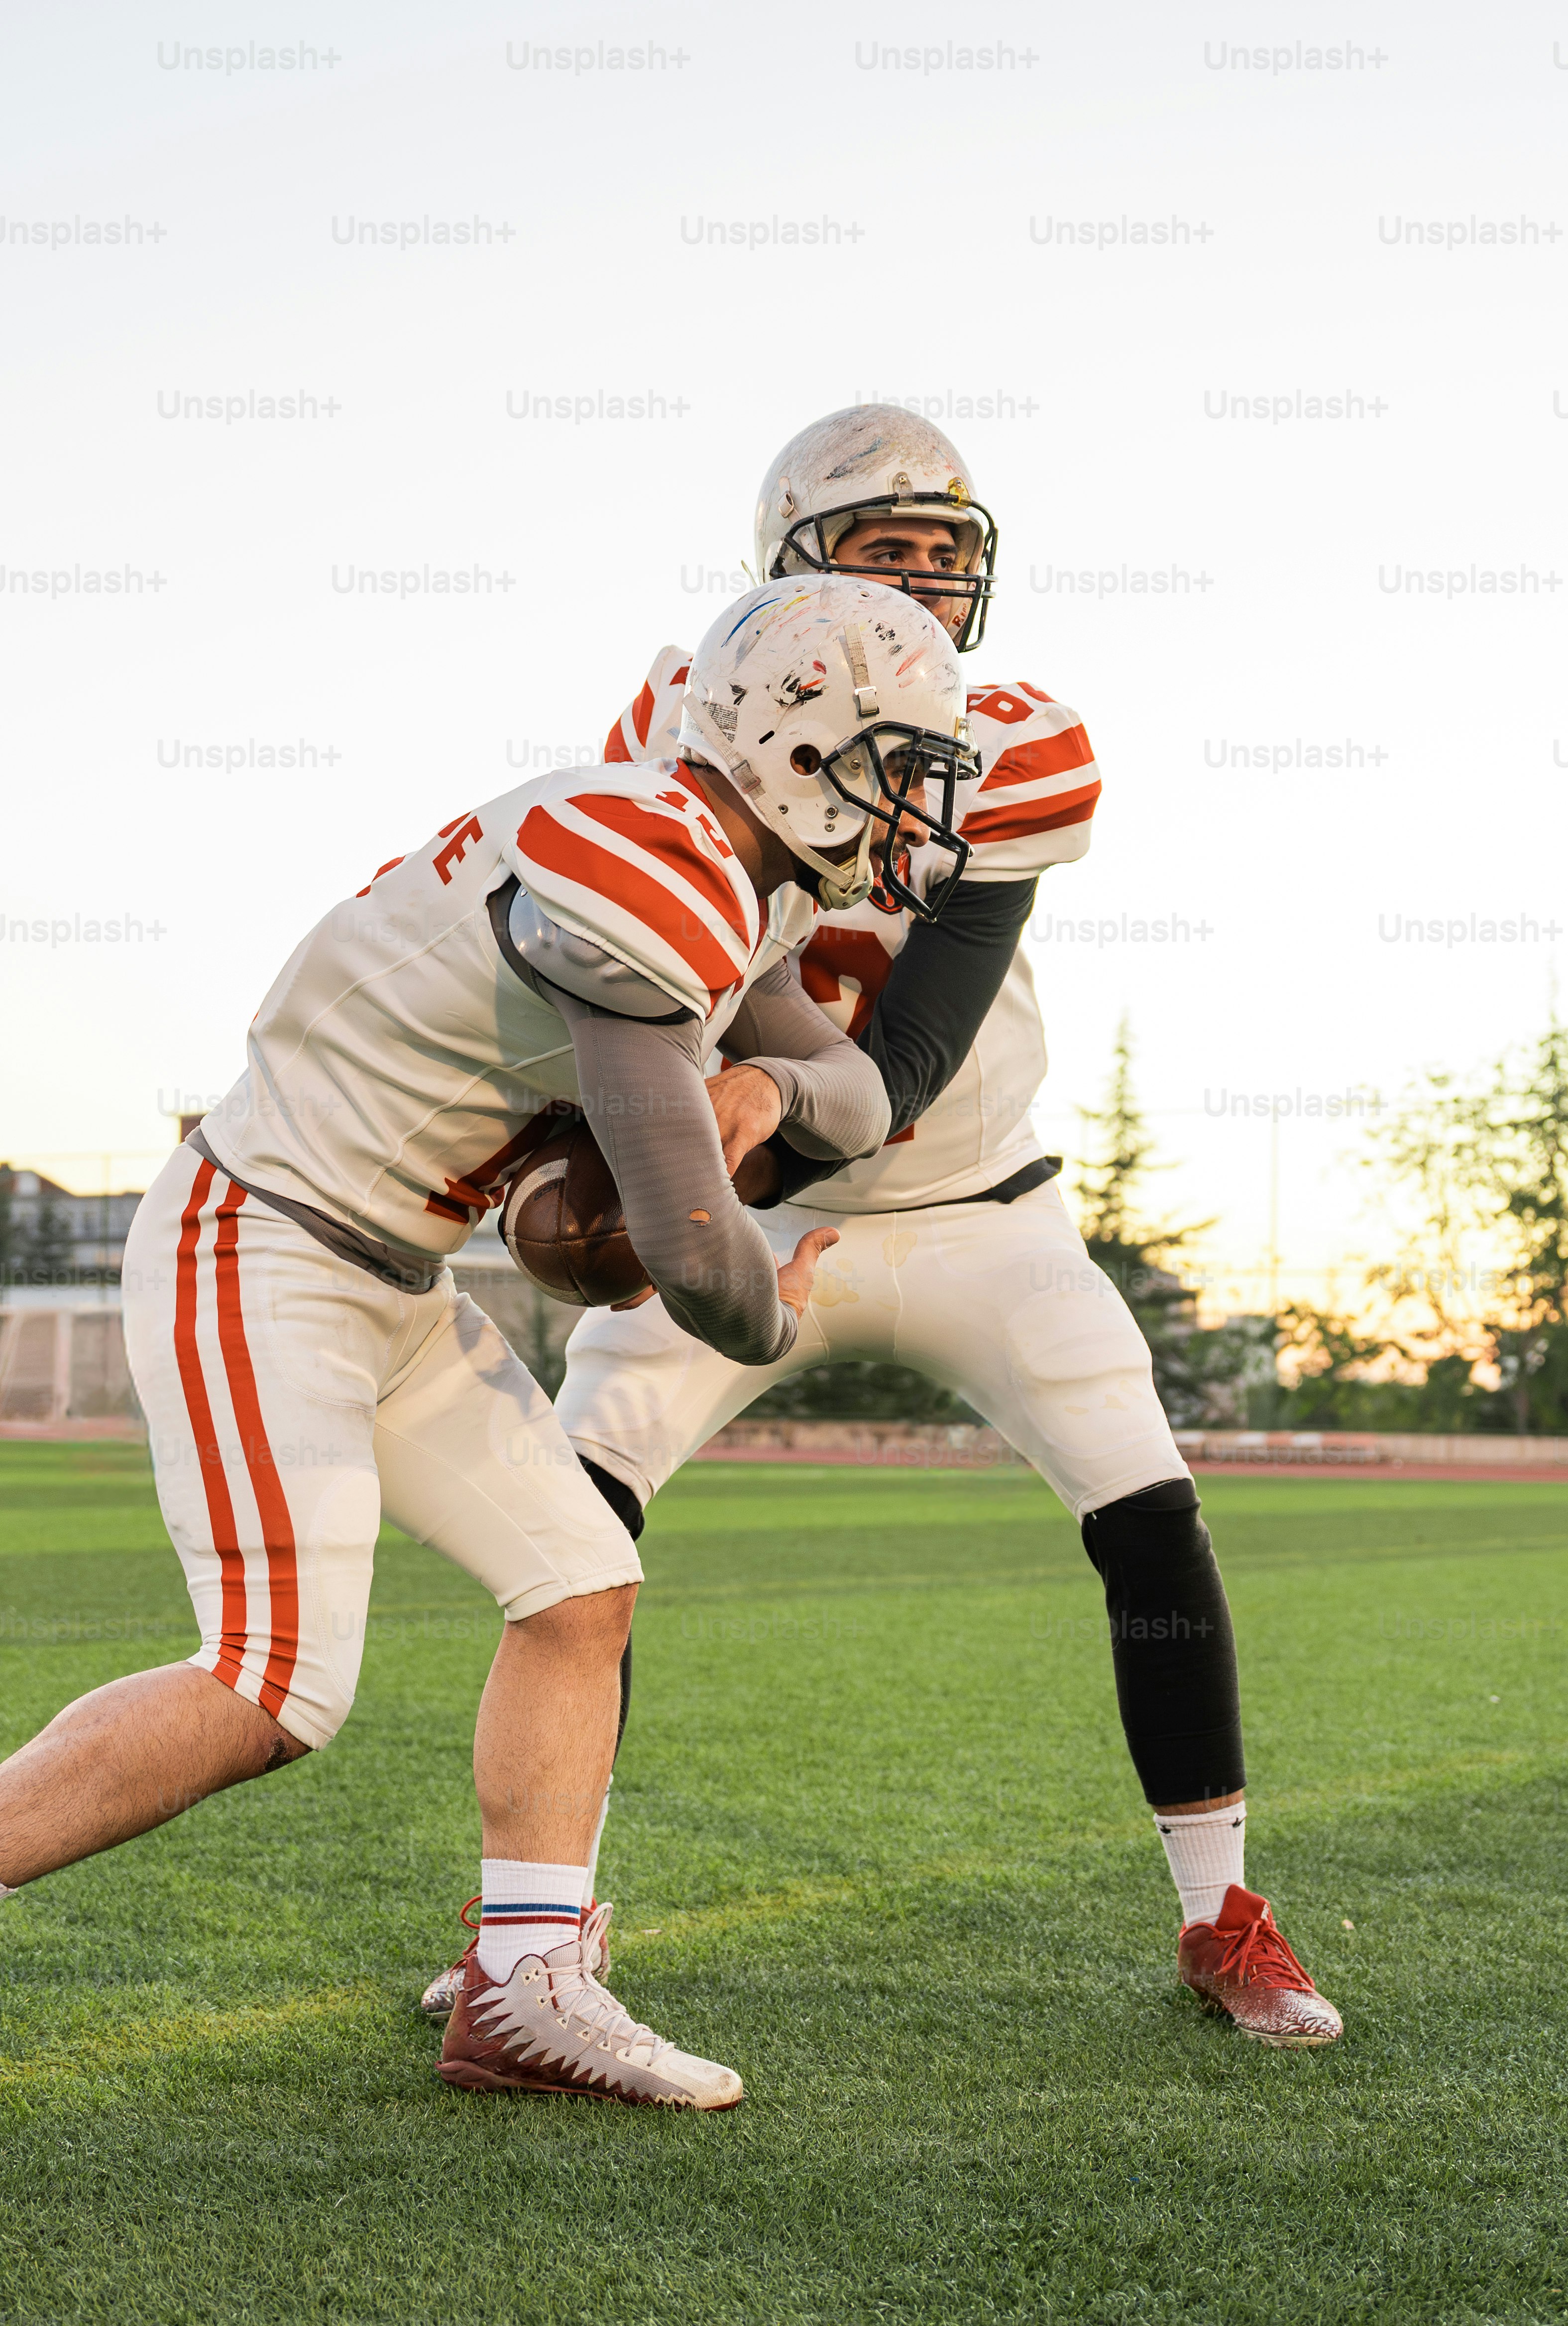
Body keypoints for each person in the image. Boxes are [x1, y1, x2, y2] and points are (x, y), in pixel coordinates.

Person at [0, 575, 966, 2158]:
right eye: (894, 758)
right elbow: (699, 1265)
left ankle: (523, 1981)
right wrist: (784, 1305)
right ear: (798, 743)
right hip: (266, 1241)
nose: (911, 804)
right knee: (273, 1684)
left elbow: (855, 1093)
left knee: (581, 1586)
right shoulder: (649, 862)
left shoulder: (730, 870)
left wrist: (765, 1103)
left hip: (384, 1271)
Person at [419, 407, 1341, 2047]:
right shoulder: (679, 712)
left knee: (1148, 1515)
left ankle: (1224, 1913)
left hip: (973, 1210)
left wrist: (716, 1157)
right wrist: (649, 1185)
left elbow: (904, 1062)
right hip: (752, 1209)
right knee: (573, 1533)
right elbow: (646, 980)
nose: (920, 578)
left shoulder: (1017, 741)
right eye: (880, 546)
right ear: (784, 564)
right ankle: (540, 1943)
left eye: (943, 551)